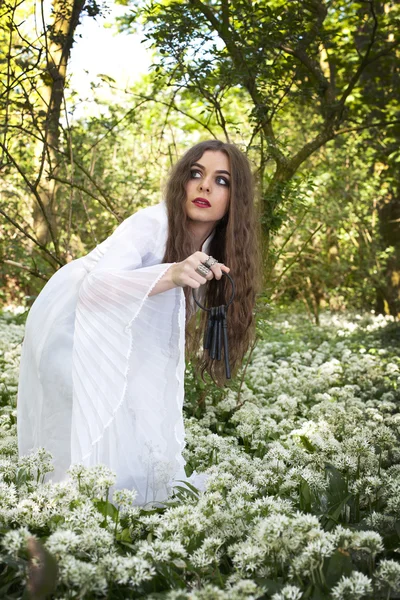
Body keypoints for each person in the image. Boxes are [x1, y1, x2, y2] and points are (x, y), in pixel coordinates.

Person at [17, 139, 262, 505]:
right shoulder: (151, 223)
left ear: (235, 199)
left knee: (140, 415)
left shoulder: (214, 248)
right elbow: (96, 286)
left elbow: (166, 326)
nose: (205, 186)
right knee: (85, 426)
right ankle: (62, 514)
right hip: (72, 322)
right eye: (195, 173)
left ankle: (121, 509)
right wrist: (173, 272)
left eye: (221, 180)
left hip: (119, 327)